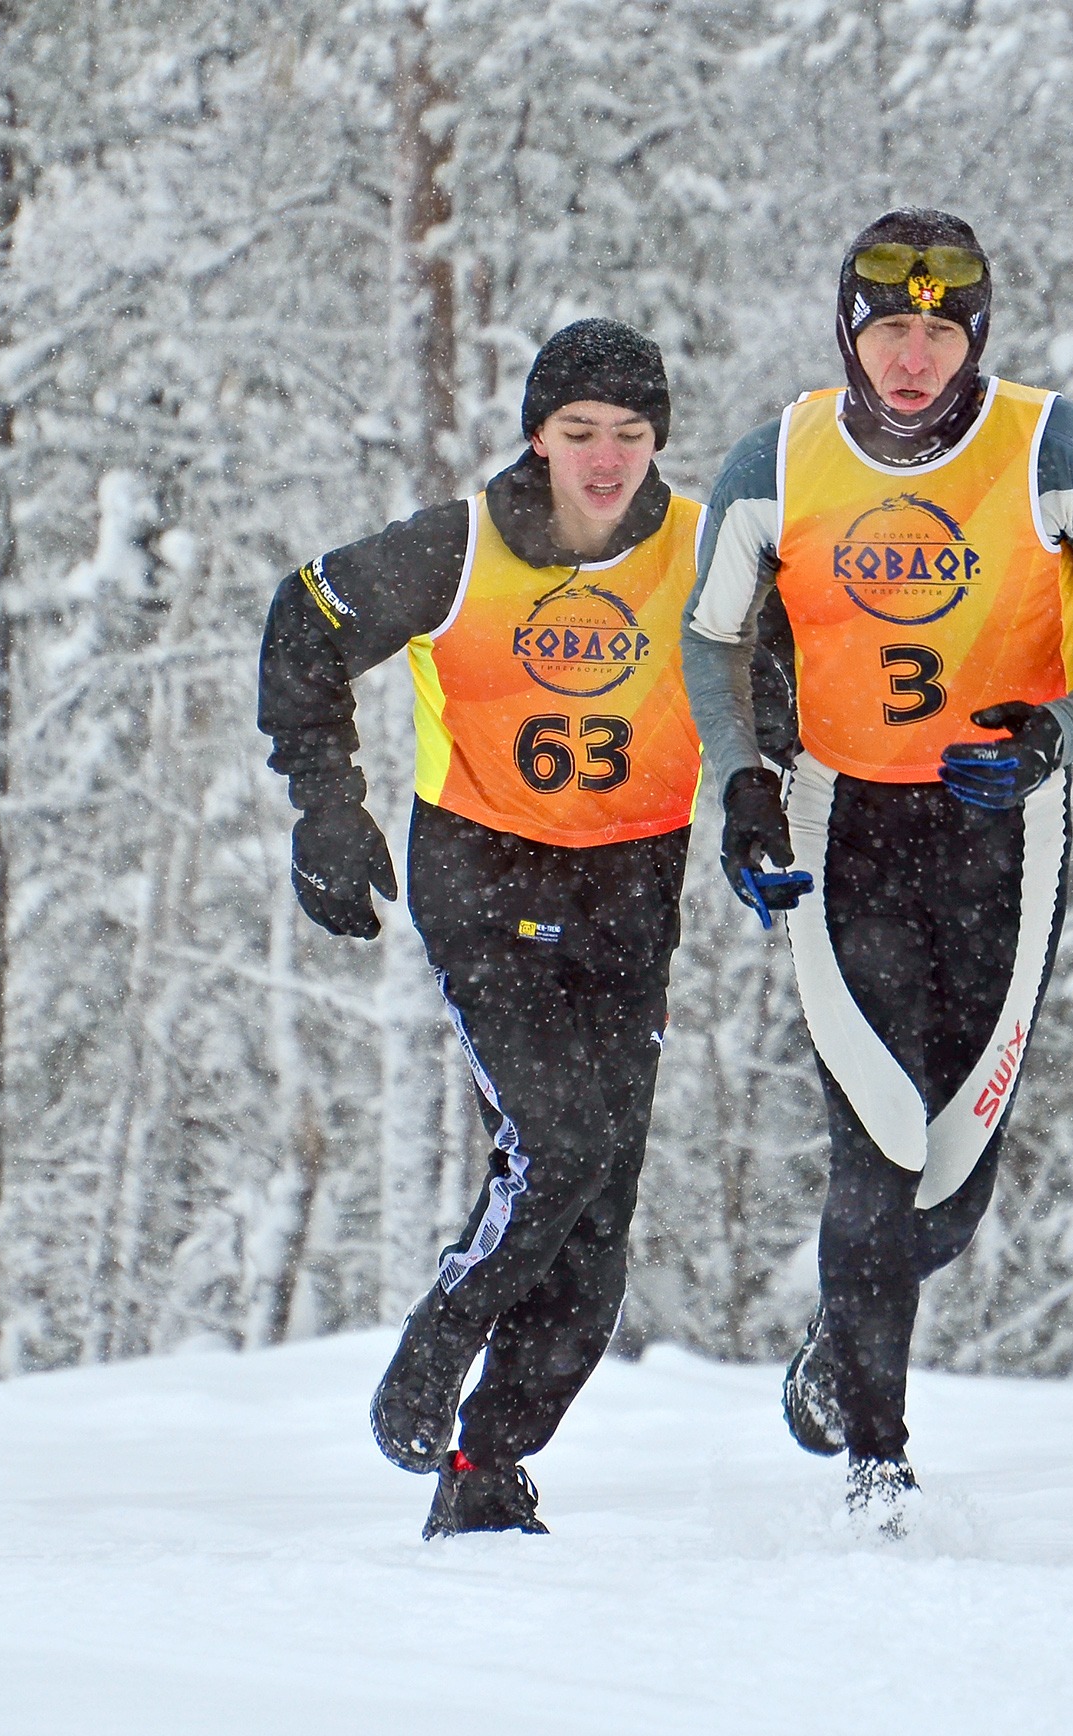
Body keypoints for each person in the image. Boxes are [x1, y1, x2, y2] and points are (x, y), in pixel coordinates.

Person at [681, 210, 1073, 1527]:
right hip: (836, 821)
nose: (913, 358)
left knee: (954, 1178)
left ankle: (836, 1356)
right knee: (876, 1142)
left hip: (1000, 831)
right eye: (889, 330)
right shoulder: (780, 460)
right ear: (850, 334)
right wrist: (745, 778)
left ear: (977, 336)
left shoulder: (1048, 444)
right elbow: (711, 637)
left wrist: (1062, 733)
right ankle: (879, 1460)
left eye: (939, 331)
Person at [257, 319, 704, 1538]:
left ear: (656, 439)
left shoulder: (706, 549)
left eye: (628, 434)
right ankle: (440, 1332)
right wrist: (327, 805)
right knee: (556, 1145)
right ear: (537, 437)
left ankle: (486, 1472)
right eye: (579, 434)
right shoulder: (455, 548)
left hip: (629, 895)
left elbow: (791, 671)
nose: (605, 459)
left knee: (599, 1214)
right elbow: (302, 625)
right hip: (486, 885)